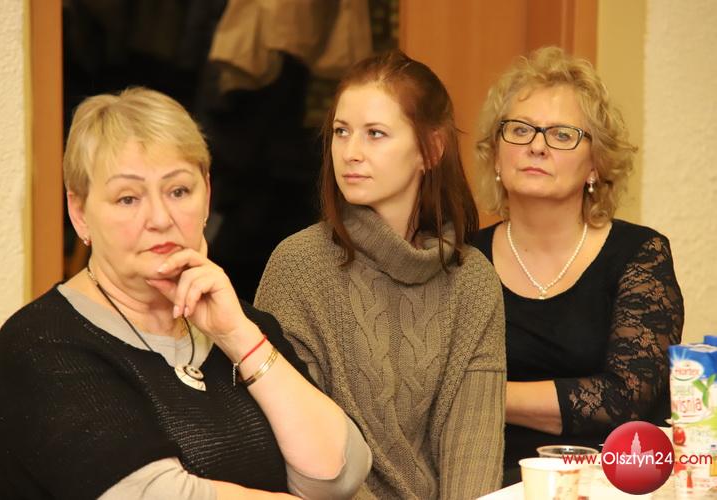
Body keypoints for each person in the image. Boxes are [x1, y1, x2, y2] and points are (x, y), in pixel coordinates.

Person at [0, 87, 371, 500]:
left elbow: (338, 476)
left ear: (207, 194)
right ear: (79, 212)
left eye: (178, 191)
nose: (160, 218)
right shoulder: (41, 345)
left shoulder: (242, 323)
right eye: (128, 198)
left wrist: (237, 337)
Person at [254, 50, 506, 499]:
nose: (351, 153)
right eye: (341, 132)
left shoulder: (472, 281)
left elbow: (474, 456)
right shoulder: (298, 266)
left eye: (375, 134)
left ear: (430, 150)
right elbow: (298, 452)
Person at [471, 46, 684, 484]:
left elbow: (626, 399)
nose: (536, 146)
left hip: (610, 481)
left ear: (595, 165)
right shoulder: (462, 260)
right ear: (496, 155)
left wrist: (479, 393)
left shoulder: (640, 254)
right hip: (486, 480)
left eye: (562, 134)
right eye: (519, 130)